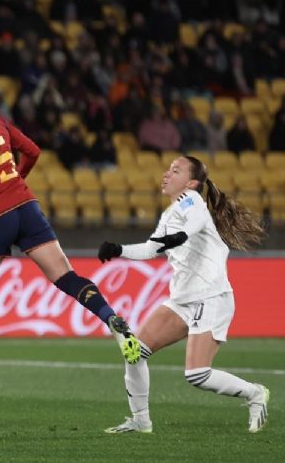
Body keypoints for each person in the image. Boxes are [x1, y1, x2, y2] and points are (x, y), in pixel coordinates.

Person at [0, 56, 140, 411]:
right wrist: (16, 183)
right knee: (67, 277)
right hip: (27, 208)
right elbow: (32, 151)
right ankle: (112, 319)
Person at [98, 155, 269, 434]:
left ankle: (255, 394)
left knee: (197, 374)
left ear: (191, 182)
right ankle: (141, 420)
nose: (167, 174)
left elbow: (194, 221)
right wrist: (119, 250)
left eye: (175, 170)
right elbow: (153, 248)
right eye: (168, 169)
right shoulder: (169, 214)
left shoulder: (191, 200)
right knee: (134, 353)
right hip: (182, 300)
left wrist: (180, 236)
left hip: (210, 297)